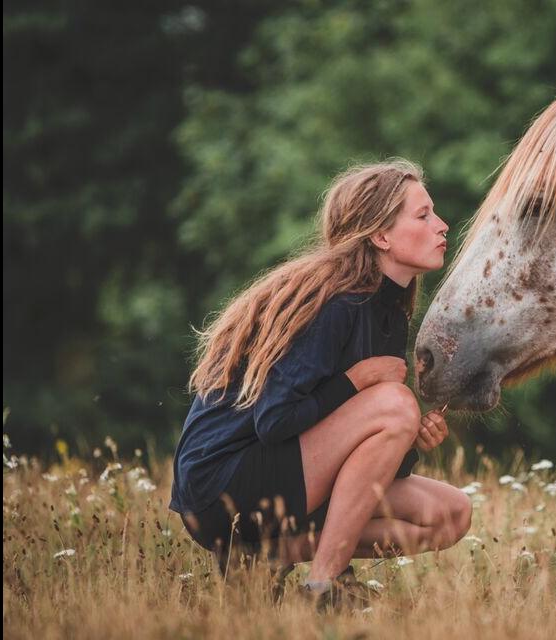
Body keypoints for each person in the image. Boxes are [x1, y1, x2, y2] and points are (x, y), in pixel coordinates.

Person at [168, 159, 471, 608]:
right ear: (381, 236)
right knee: (396, 404)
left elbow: (362, 467)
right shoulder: (334, 302)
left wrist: (410, 441)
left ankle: (264, 559)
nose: (442, 226)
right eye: (423, 215)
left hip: (287, 479)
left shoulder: (388, 312)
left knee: (451, 515)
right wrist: (357, 383)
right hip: (221, 489)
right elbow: (274, 420)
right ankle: (324, 588)